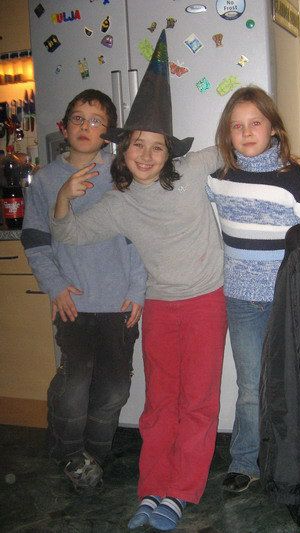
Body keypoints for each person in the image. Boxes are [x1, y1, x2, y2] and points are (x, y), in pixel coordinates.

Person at [49, 32, 300, 531]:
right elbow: (68, 232)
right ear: (123, 151)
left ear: (170, 153)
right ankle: (152, 487)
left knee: (197, 402)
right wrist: (65, 195)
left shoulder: (194, 169)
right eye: (137, 145)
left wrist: (295, 162)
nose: (146, 155)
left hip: (207, 303)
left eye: (157, 147)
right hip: (159, 307)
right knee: (159, 403)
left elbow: (245, 146)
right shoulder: (118, 204)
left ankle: (180, 492)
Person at [21, 89, 147, 491]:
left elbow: (139, 238)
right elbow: (36, 241)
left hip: (119, 302)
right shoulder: (45, 180)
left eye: (95, 121)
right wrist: (55, 286)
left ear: (108, 132)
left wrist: (138, 288)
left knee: (115, 387)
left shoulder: (123, 175)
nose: (85, 126)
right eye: (77, 118)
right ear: (64, 126)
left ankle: (95, 454)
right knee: (75, 382)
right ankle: (70, 453)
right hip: (73, 302)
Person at [206, 86, 300, 494]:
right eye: (236, 125)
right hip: (240, 299)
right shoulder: (217, 180)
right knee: (249, 387)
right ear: (227, 133)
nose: (246, 132)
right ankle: (244, 461)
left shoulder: (296, 180)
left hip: (286, 300)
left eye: (255, 122)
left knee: (288, 383)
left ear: (273, 127)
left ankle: (291, 464)